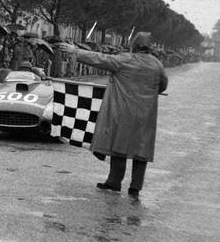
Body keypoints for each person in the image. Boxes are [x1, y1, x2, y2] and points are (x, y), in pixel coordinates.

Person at [58, 32, 168, 198]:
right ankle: (135, 188)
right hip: (146, 114)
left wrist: (75, 51)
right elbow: (163, 85)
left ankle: (114, 182)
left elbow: (101, 59)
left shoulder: (126, 59)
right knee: (141, 149)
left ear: (134, 45)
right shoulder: (157, 64)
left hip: (124, 110)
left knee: (120, 147)